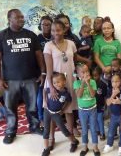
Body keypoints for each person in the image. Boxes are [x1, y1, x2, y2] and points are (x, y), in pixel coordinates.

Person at [0, 9, 45, 144]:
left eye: (22, 17)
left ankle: (34, 127)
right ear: (9, 19)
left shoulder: (31, 35)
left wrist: (43, 72)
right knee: (10, 108)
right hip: (10, 80)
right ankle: (10, 131)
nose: (22, 19)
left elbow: (39, 55)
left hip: (31, 78)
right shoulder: (0, 36)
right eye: (18, 17)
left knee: (32, 106)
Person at [43, 20, 79, 149]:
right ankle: (51, 138)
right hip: (54, 83)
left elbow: (74, 62)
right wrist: (51, 88)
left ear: (64, 30)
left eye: (58, 30)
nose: (55, 33)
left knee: (69, 110)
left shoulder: (71, 43)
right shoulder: (48, 46)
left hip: (68, 81)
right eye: (53, 30)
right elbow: (48, 69)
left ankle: (71, 139)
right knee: (52, 112)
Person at [42, 72, 79, 156]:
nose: (56, 84)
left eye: (58, 82)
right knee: (46, 130)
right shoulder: (52, 90)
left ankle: (74, 142)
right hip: (47, 111)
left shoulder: (65, 94)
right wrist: (44, 101)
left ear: (64, 81)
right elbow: (44, 90)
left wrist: (63, 109)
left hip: (56, 114)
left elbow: (69, 101)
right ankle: (46, 148)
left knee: (63, 129)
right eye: (54, 83)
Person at [73, 64, 100, 156]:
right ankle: (85, 147)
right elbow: (79, 95)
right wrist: (83, 83)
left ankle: (95, 147)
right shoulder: (76, 83)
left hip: (92, 109)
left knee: (93, 128)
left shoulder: (92, 82)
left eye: (87, 71)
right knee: (84, 129)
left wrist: (88, 83)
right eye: (83, 72)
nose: (86, 73)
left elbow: (92, 95)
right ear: (78, 74)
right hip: (82, 110)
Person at [102, 73, 121, 155]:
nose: (115, 83)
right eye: (113, 81)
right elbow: (108, 103)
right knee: (111, 131)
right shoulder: (109, 90)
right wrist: (114, 94)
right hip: (113, 116)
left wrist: (120, 102)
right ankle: (109, 144)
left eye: (117, 81)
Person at [37, 15, 53, 128]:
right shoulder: (37, 38)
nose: (45, 27)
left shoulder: (55, 37)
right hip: (41, 72)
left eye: (48, 24)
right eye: (43, 24)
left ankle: (56, 116)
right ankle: (41, 118)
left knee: (55, 94)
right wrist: (42, 73)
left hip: (54, 70)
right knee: (40, 96)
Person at [92, 67, 107, 141]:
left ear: (100, 75)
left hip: (100, 105)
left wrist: (105, 104)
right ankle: (98, 130)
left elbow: (105, 96)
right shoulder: (90, 84)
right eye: (93, 75)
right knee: (94, 119)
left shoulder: (103, 84)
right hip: (92, 105)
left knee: (100, 119)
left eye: (96, 75)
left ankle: (102, 133)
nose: (94, 77)